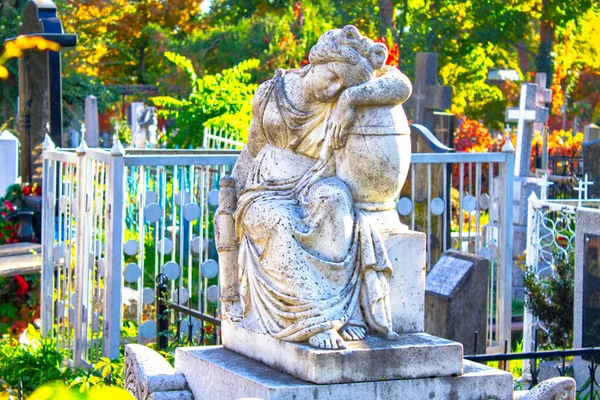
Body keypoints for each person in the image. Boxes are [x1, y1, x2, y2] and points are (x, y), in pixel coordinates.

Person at [228, 25, 411, 349]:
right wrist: (231, 190)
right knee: (280, 221)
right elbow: (253, 146)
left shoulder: (341, 99)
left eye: (344, 86)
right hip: (265, 190)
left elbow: (401, 83)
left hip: (312, 181)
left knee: (336, 200)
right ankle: (314, 321)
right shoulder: (271, 92)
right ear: (319, 61)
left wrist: (351, 98)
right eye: (334, 77)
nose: (335, 89)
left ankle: (342, 313)